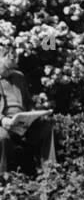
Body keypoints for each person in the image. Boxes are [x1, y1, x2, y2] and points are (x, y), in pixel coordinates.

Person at [0, 45, 55, 174]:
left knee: (47, 125)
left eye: (13, 68)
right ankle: (2, 180)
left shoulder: (19, 77)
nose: (11, 71)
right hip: (3, 123)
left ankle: (50, 171)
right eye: (8, 68)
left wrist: (34, 113)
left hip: (21, 122)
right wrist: (3, 120)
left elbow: (28, 102)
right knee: (1, 137)